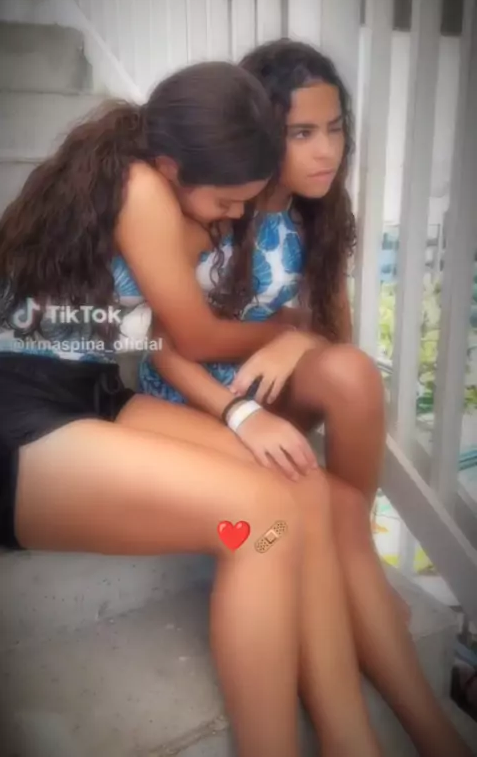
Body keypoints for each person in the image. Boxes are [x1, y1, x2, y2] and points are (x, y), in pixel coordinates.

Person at [0, 60, 385, 757]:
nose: (235, 216)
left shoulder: (151, 177)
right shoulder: (140, 186)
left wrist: (265, 378)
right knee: (258, 521)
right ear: (176, 168)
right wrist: (290, 329)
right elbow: (196, 337)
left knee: (299, 483)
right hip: (16, 413)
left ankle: (348, 738)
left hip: (90, 390)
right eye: (229, 202)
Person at [134, 40, 473, 757]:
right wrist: (254, 386)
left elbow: (333, 339)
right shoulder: (210, 206)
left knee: (351, 375)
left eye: (336, 128)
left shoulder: (317, 217)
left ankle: (357, 558)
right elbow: (162, 338)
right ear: (260, 132)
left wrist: (296, 341)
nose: (327, 151)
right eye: (302, 133)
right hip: (196, 404)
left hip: (265, 397)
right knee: (312, 498)